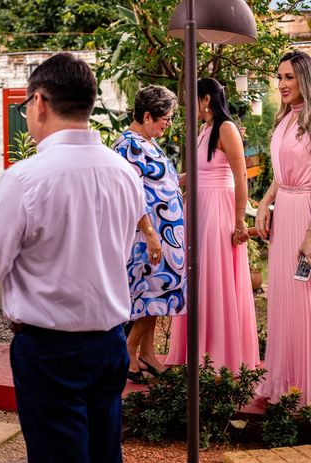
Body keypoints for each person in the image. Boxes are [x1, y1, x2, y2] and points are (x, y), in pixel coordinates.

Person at [0, 53, 146, 463]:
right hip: (109, 341)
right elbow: (115, 251)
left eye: (27, 105)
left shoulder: (26, 177)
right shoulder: (125, 172)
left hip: (50, 347)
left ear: (40, 103)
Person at [166, 78, 259, 372]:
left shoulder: (225, 128)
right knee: (200, 276)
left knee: (216, 274)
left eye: (191, 98)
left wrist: (239, 219)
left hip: (219, 209)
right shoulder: (204, 129)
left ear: (205, 99)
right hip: (199, 209)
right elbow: (196, 171)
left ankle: (220, 352)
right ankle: (199, 349)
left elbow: (241, 175)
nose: (186, 104)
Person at [112, 85, 187, 383]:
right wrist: (151, 233)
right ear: (146, 115)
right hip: (147, 237)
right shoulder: (127, 145)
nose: (167, 124)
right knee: (149, 294)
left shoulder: (148, 141)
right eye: (164, 119)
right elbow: (131, 195)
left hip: (164, 233)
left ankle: (147, 353)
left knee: (155, 297)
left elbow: (160, 184)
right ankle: (128, 354)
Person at [256, 50, 311, 405]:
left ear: (305, 79)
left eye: (289, 77)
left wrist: (310, 236)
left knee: (304, 301)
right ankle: (285, 380)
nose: (282, 84)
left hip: (306, 215)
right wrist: (264, 201)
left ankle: (305, 387)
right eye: (279, 77)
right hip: (285, 210)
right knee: (282, 301)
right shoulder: (285, 119)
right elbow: (280, 172)